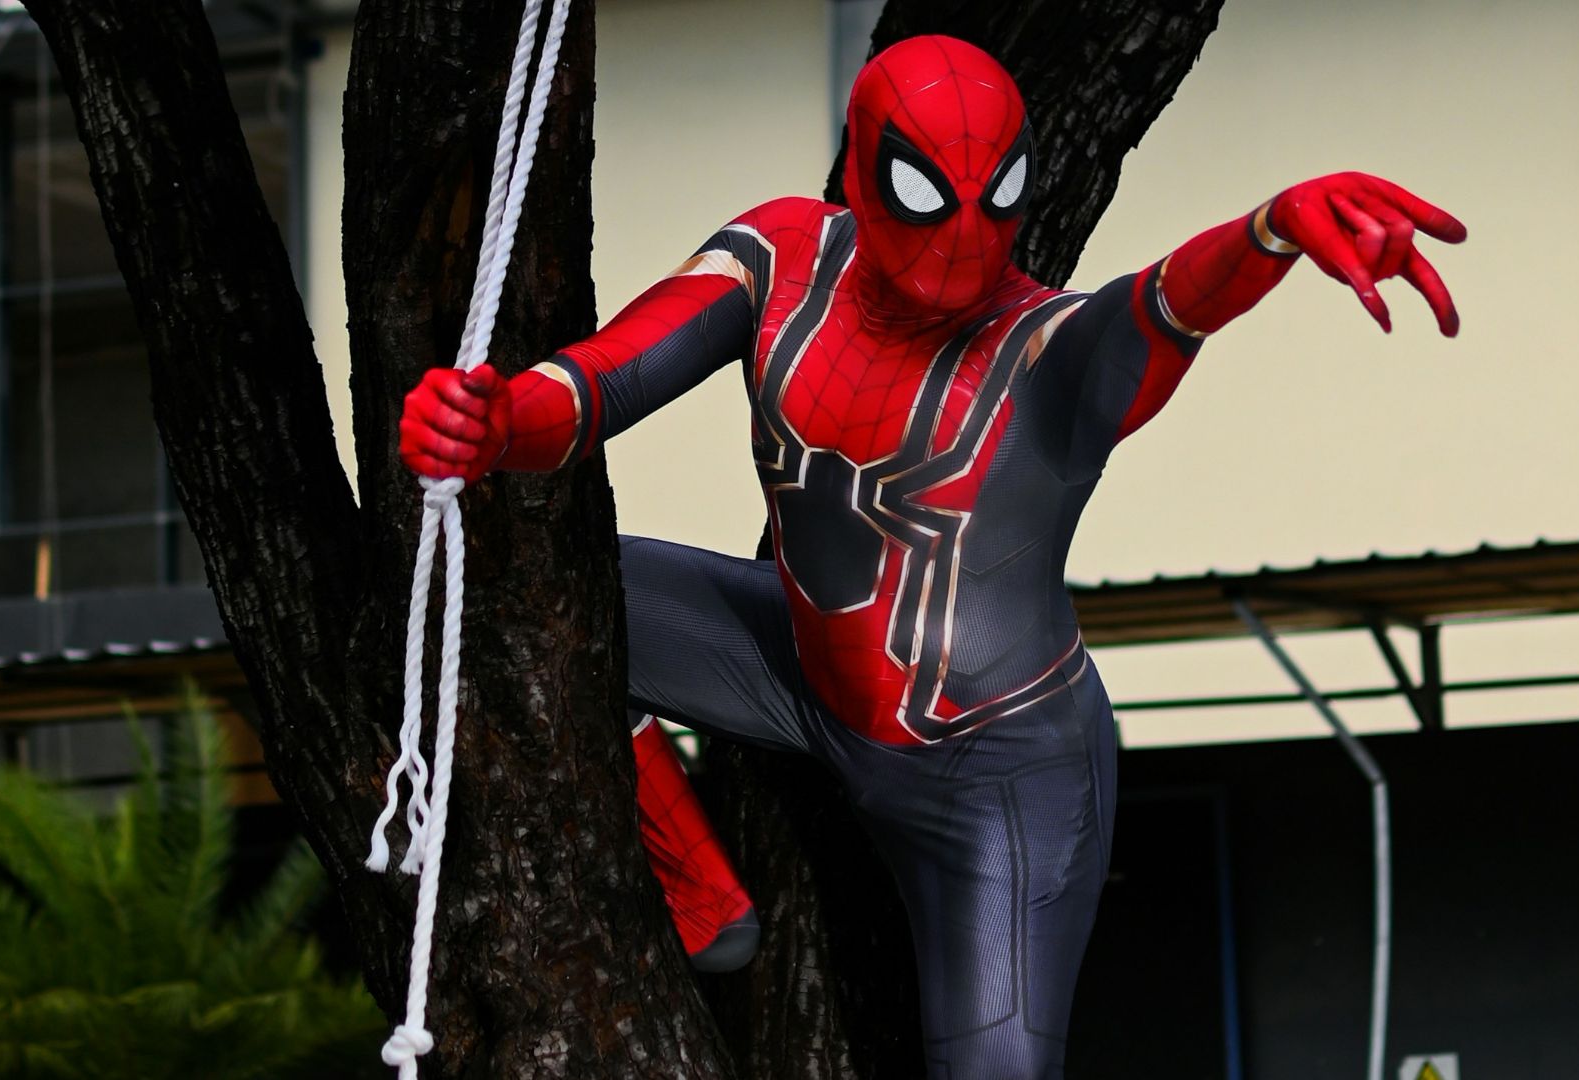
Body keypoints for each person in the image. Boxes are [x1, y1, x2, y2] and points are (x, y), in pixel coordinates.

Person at [399, 33, 1463, 1079]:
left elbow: (1164, 303)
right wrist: (494, 423)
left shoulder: (1040, 351)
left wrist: (1267, 233)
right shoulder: (781, 261)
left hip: (1000, 765)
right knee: (491, 592)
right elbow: (599, 385)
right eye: (923, 193)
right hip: (801, 672)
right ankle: (702, 897)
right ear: (864, 174)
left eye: (992, 196)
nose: (962, 236)